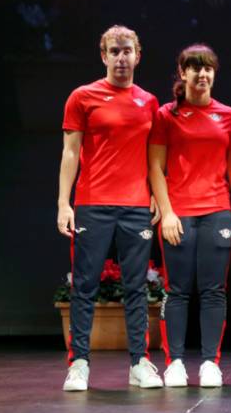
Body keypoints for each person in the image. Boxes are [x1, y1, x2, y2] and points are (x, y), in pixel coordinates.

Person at [57, 25, 163, 391]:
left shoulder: (149, 102)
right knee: (85, 286)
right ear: (104, 56)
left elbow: (154, 157)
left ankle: (139, 363)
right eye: (114, 51)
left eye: (127, 51)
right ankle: (79, 364)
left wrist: (155, 195)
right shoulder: (82, 97)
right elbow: (70, 153)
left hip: (136, 206)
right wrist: (64, 203)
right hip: (92, 204)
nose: (121, 58)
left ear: (138, 55)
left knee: (136, 287)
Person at [148, 44, 231, 388]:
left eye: (208, 68)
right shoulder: (166, 115)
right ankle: (174, 362)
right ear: (183, 73)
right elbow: (155, 167)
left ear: (214, 74)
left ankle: (209, 362)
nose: (202, 74)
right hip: (179, 213)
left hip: (217, 211)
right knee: (177, 290)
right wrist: (167, 212)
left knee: (213, 291)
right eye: (195, 68)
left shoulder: (229, 116)